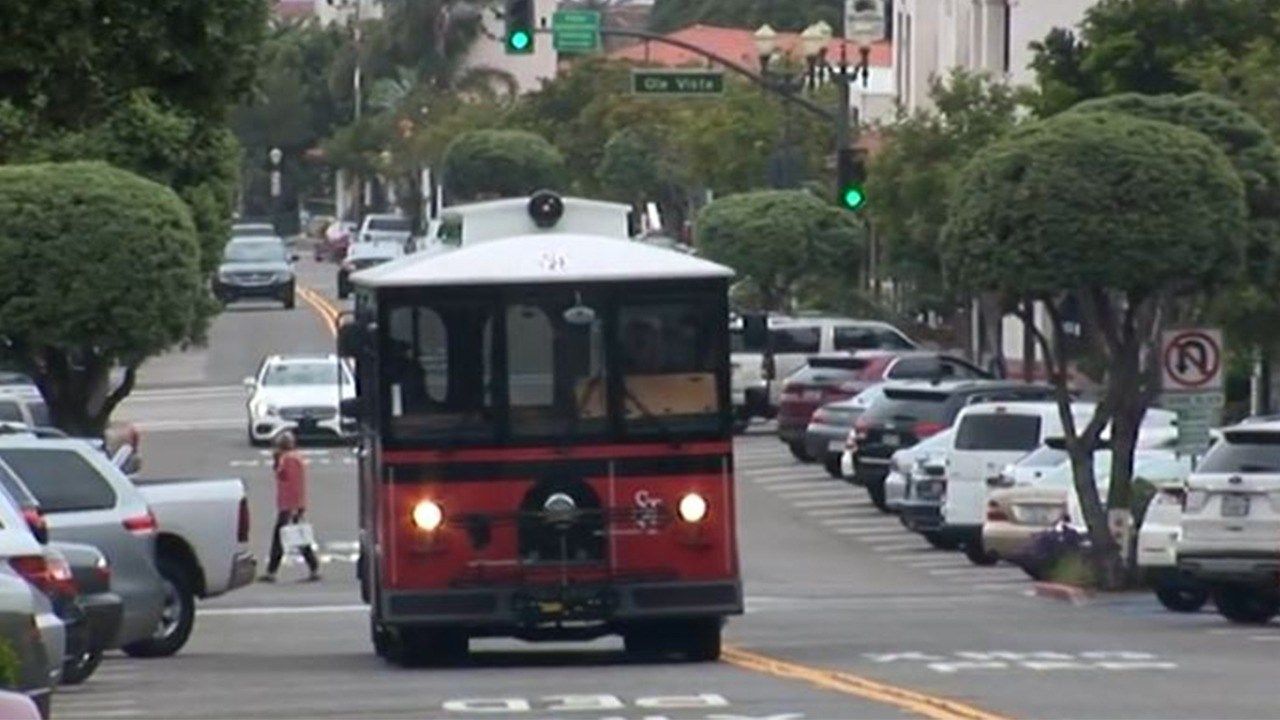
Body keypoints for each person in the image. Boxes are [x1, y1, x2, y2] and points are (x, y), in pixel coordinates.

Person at [260, 431, 320, 582]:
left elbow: (291, 483)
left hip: (289, 505)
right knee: (298, 536)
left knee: (284, 537)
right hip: (291, 504)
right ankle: (313, 567)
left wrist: (294, 508)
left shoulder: (289, 460)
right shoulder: (291, 458)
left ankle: (272, 571)